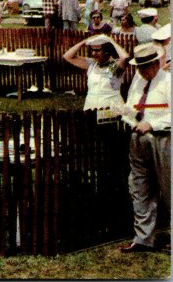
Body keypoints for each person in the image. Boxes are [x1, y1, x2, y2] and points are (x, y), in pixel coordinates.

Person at [117, 43, 171, 253]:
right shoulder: (139, 81)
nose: (141, 71)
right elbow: (132, 105)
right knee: (139, 186)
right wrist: (126, 113)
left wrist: (152, 124)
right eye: (139, 67)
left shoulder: (168, 81)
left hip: (163, 137)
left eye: (146, 67)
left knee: (169, 187)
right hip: (138, 138)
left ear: (157, 63)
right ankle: (143, 238)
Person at [63, 34, 129, 111]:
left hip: (111, 108)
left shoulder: (113, 66)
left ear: (107, 51)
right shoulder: (92, 64)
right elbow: (67, 56)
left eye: (98, 50)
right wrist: (85, 41)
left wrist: (111, 41)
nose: (94, 53)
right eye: (93, 50)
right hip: (91, 107)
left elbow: (125, 57)